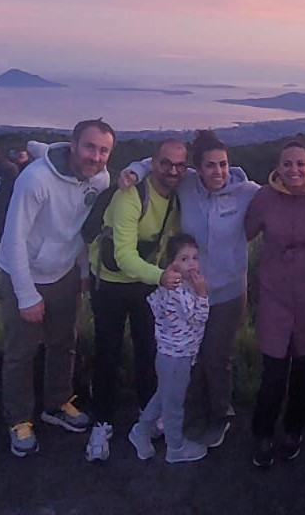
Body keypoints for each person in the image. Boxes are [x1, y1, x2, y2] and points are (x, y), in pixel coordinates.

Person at [120, 129, 259, 449]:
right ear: (198, 167)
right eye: (210, 166)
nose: (218, 172)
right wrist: (134, 171)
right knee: (188, 356)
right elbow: (154, 164)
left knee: (215, 356)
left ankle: (220, 415)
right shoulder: (186, 184)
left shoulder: (246, 191)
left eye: (223, 164)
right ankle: (188, 413)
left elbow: (280, 191)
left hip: (227, 293)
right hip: (186, 293)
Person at [0, 118, 115, 458]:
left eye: (104, 150)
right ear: (74, 145)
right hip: (24, 272)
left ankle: (57, 402)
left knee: (65, 342)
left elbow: (78, 229)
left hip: (63, 271)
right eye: (90, 146)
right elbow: (14, 239)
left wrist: (80, 269)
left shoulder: (101, 179)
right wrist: (26, 294)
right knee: (21, 351)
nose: (96, 156)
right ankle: (18, 419)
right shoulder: (35, 180)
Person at [243, 138, 305, 467]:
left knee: (304, 368)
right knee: (273, 370)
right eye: (287, 163)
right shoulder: (263, 197)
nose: (294, 170)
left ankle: (294, 430)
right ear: (278, 166)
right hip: (274, 291)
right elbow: (242, 233)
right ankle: (262, 434)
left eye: (300, 163)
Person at [84, 138, 187, 463]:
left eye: (179, 165)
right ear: (153, 163)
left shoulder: (177, 194)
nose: (172, 170)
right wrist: (160, 277)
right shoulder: (130, 195)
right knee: (108, 351)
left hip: (146, 280)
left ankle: (147, 409)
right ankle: (101, 422)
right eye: (165, 163)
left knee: (149, 348)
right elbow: (124, 255)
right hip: (112, 281)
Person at [127, 233, 210, 464]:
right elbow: (197, 318)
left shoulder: (181, 285)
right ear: (171, 263)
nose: (191, 263)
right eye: (183, 259)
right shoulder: (177, 290)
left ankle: (140, 431)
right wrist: (203, 295)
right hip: (175, 357)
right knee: (174, 405)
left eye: (194, 257)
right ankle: (175, 447)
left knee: (163, 395)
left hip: (176, 355)